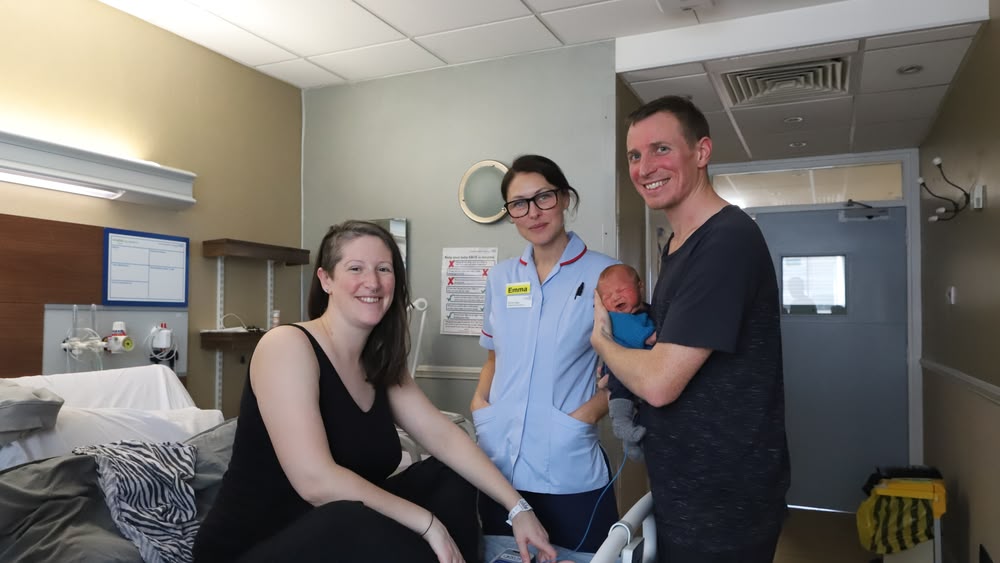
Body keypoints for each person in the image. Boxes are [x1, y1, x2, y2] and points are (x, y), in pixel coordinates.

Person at [193, 220, 559, 563]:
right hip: (253, 547)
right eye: (355, 268)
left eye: (384, 269)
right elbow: (315, 482)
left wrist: (518, 508)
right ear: (326, 279)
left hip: (338, 535)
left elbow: (444, 437)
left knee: (448, 475)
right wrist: (428, 523)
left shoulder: (380, 360)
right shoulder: (287, 345)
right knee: (350, 516)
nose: (372, 282)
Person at [590, 96, 790, 562]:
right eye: (634, 155)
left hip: (723, 498)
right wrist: (626, 369)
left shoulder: (725, 241)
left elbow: (660, 383)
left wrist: (601, 341)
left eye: (660, 149)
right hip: (689, 487)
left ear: (701, 152)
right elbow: (669, 352)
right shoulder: (679, 244)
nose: (644, 168)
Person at [471, 155, 619, 561]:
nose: (533, 213)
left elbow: (628, 371)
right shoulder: (501, 278)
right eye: (519, 204)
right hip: (498, 466)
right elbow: (493, 358)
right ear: (510, 213)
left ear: (565, 198)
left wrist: (584, 418)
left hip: (568, 467)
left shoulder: (606, 275)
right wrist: (479, 405)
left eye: (544, 197)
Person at [595, 263, 654, 462]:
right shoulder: (617, 318)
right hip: (621, 369)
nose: (615, 297)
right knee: (621, 391)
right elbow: (650, 338)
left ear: (640, 286)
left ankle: (631, 442)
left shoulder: (646, 311)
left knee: (640, 407)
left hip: (641, 369)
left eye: (621, 290)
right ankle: (620, 422)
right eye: (607, 296)